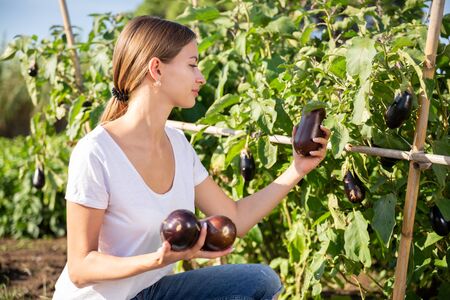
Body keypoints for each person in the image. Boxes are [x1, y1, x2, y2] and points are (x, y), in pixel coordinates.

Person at [52, 16, 330, 300]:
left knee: (260, 280)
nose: (201, 77)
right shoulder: (96, 152)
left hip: (151, 292)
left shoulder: (178, 145)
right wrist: (158, 260)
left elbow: (234, 218)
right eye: (192, 64)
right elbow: (81, 267)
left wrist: (297, 168)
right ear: (157, 69)